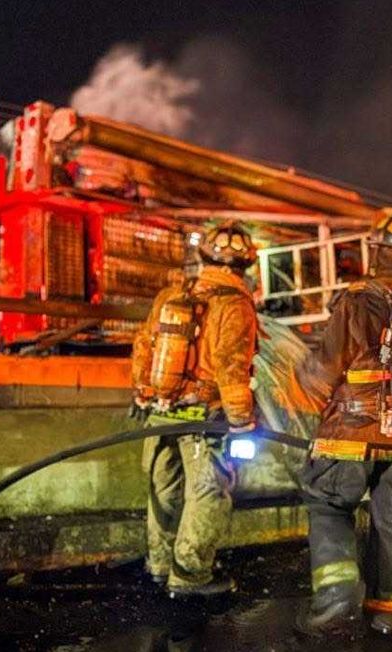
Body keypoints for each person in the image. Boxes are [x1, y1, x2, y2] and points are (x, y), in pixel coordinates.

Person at [294, 212, 392, 637]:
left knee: (328, 505)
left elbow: (322, 373)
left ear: (378, 253)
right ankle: (386, 613)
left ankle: (336, 600)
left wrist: (303, 388)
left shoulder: (358, 301)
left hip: (350, 439)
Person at [130, 220, 258, 596]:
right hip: (204, 416)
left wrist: (142, 391)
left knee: (164, 489)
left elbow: (143, 344)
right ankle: (189, 575)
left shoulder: (173, 296)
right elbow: (231, 367)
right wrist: (241, 422)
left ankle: (159, 564)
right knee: (207, 492)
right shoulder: (234, 305)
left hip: (159, 410)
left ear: (204, 257)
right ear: (247, 264)